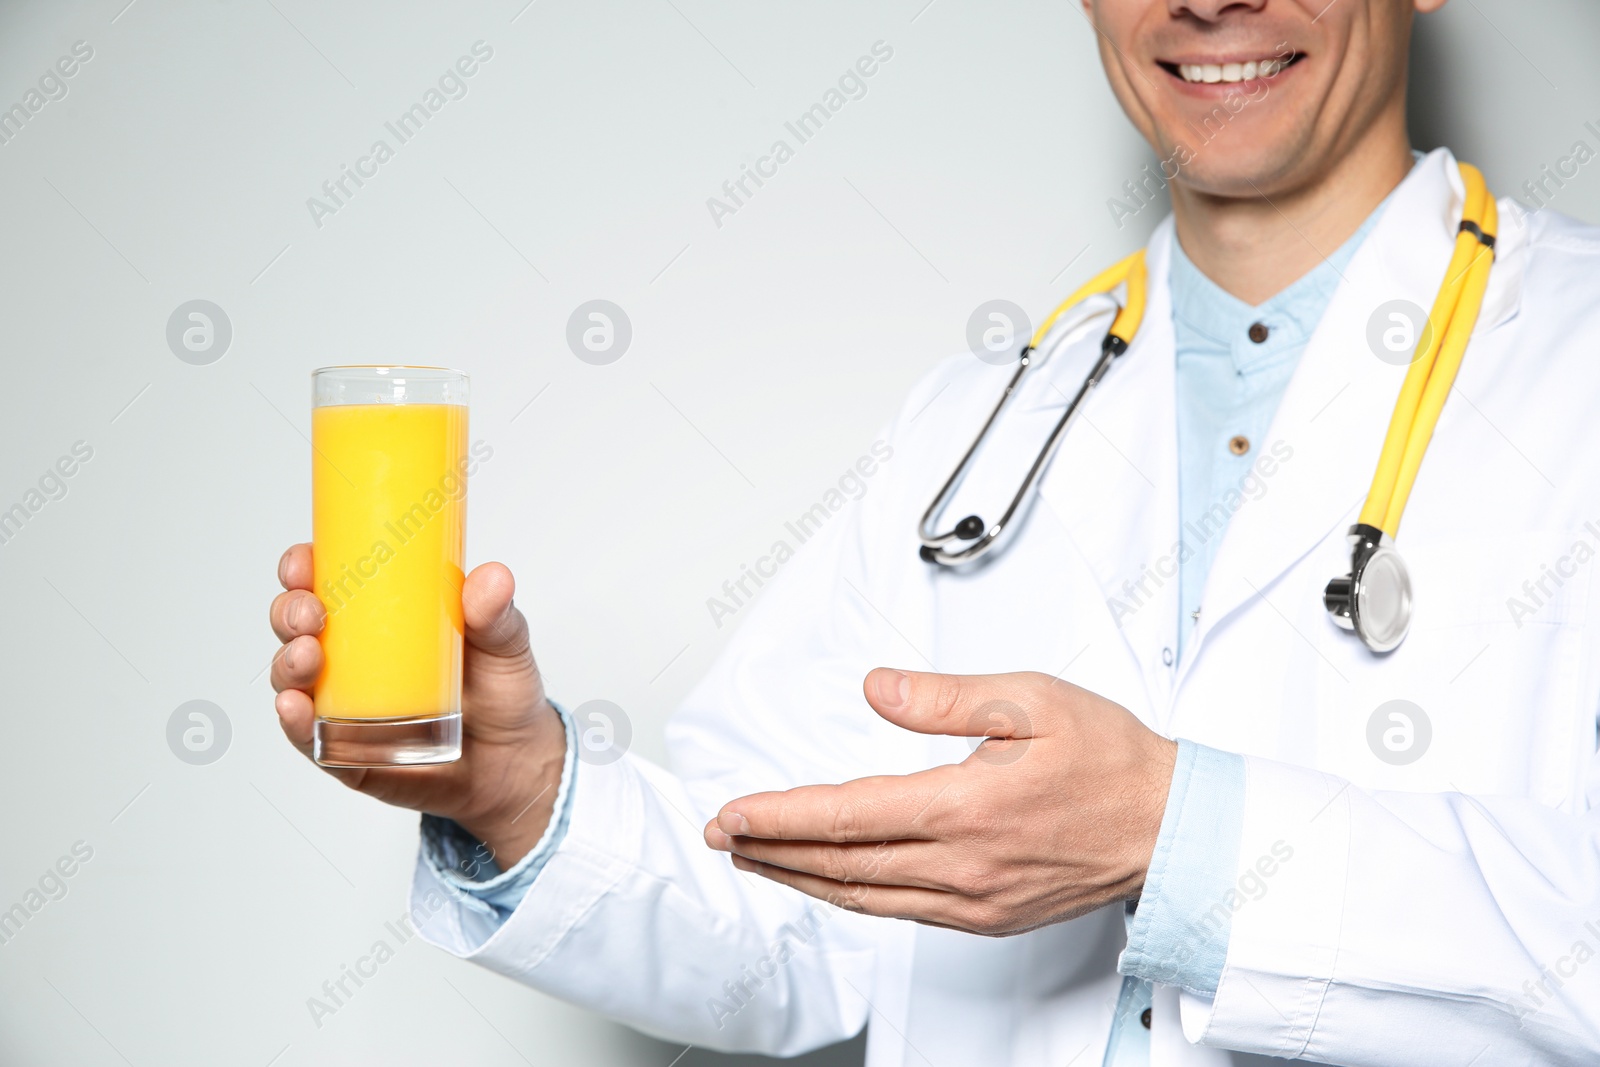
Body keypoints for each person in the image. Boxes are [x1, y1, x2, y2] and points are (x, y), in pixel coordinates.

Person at [268, 0, 1600, 1063]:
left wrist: (1179, 839)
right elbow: (795, 918)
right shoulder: (977, 427)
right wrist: (523, 799)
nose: (1213, 0)